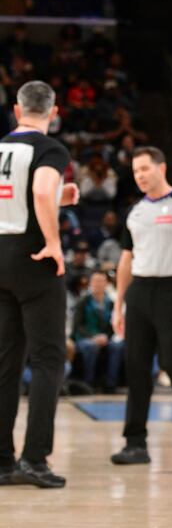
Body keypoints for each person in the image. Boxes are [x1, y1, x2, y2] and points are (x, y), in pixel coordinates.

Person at [109, 146, 172, 465]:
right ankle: (135, 443)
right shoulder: (135, 211)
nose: (139, 175)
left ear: (161, 168)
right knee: (136, 367)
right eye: (135, 171)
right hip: (140, 291)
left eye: (144, 169)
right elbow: (126, 260)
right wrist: (118, 306)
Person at [0, 81, 79, 489]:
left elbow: (24, 196)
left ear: (17, 109)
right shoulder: (49, 149)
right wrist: (53, 242)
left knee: (5, 364)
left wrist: (57, 200)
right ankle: (35, 460)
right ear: (53, 110)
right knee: (48, 361)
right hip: (34, 262)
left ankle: (1, 462)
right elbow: (40, 189)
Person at [72, 270, 124, 392]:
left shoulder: (111, 303)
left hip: (105, 338)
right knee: (90, 347)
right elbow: (77, 326)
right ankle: (88, 383)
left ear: (106, 284)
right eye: (95, 281)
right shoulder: (82, 302)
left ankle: (111, 384)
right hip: (84, 338)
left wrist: (106, 337)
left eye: (101, 281)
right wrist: (93, 337)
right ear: (90, 283)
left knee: (117, 346)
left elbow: (114, 325)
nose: (98, 284)